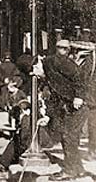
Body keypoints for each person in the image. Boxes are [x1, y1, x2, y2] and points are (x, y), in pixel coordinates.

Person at [43, 38, 87, 180]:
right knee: (68, 136)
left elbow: (79, 78)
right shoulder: (50, 68)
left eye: (65, 48)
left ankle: (69, 171)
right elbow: (54, 95)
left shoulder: (58, 62)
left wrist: (78, 97)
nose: (34, 75)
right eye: (60, 47)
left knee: (69, 137)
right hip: (68, 105)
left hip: (78, 105)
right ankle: (77, 168)